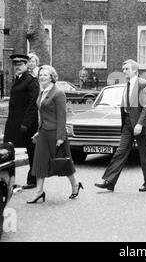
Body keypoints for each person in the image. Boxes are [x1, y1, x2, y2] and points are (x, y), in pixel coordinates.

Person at [94, 59, 146, 192]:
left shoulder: (143, 84)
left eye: (127, 69)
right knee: (120, 152)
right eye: (123, 69)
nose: (124, 71)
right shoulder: (126, 84)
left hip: (139, 124)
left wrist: (139, 124)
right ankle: (109, 181)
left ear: (135, 70)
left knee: (144, 153)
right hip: (127, 123)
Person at [27, 65, 82, 203]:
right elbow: (43, 114)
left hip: (55, 134)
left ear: (52, 77)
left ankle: (75, 185)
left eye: (45, 75)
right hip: (44, 133)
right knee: (39, 162)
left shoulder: (58, 93)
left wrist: (60, 137)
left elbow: (62, 117)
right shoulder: (42, 92)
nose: (41, 77)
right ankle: (39, 192)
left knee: (63, 163)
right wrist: (38, 132)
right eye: (40, 75)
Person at [3, 54, 39, 189]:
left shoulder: (31, 80)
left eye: (20, 65)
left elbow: (33, 105)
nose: (17, 67)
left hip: (26, 124)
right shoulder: (17, 79)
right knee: (8, 150)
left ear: (26, 65)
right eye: (15, 65)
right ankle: (10, 181)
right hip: (13, 123)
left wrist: (26, 124)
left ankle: (33, 180)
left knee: (31, 151)